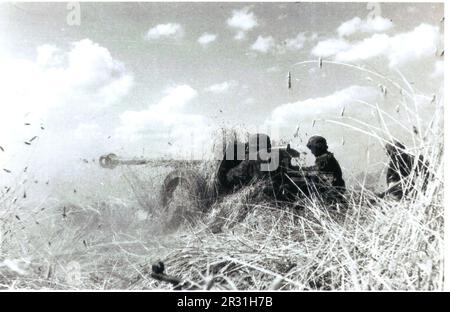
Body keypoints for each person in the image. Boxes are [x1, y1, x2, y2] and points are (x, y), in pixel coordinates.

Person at [301, 136, 346, 203]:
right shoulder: (325, 157)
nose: (311, 151)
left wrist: (305, 171)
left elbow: (317, 171)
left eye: (312, 148)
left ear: (318, 147)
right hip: (331, 191)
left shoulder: (326, 158)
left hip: (332, 193)